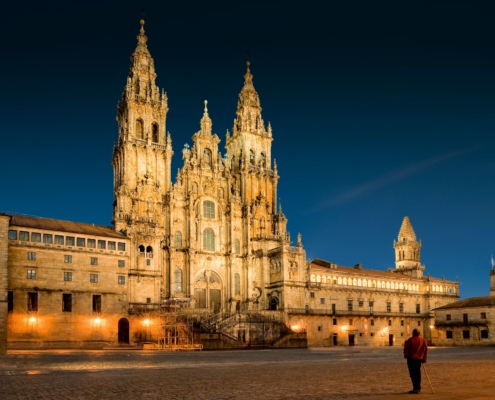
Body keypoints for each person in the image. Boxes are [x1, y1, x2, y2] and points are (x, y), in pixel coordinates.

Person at [403, 328, 428, 394]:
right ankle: (418, 388)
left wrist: (406, 355)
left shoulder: (410, 340)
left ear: (413, 333)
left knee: (413, 374)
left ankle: (415, 388)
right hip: (419, 359)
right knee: (418, 374)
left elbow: (406, 350)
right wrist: (424, 358)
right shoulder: (423, 339)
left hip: (411, 359)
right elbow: (426, 349)